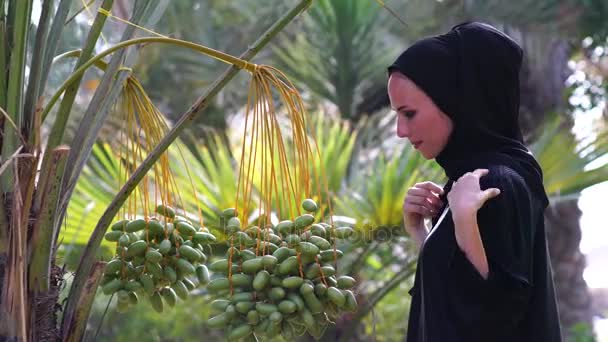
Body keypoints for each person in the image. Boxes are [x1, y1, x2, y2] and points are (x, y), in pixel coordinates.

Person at [387, 22, 562, 341]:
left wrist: (465, 220)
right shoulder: (467, 184)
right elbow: (453, 297)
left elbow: (494, 314)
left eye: (409, 113)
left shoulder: (494, 182)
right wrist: (422, 236)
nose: (400, 130)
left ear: (453, 103)